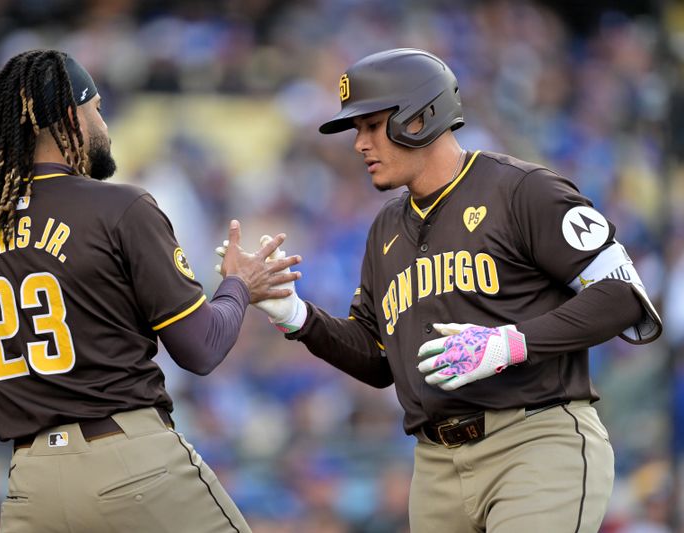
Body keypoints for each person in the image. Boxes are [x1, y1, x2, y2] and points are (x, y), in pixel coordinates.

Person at [241, 48, 663, 532]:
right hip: (435, 466)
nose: (359, 144)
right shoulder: (385, 230)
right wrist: (296, 316)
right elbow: (381, 362)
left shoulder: (522, 189)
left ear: (419, 117)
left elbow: (624, 294)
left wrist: (509, 343)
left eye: (372, 125)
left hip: (534, 439)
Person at [0, 49, 300, 533]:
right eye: (98, 109)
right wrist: (238, 285)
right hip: (132, 463)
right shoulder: (121, 209)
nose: (103, 123)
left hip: (30, 486)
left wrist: (26, 400)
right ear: (71, 117)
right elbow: (201, 349)